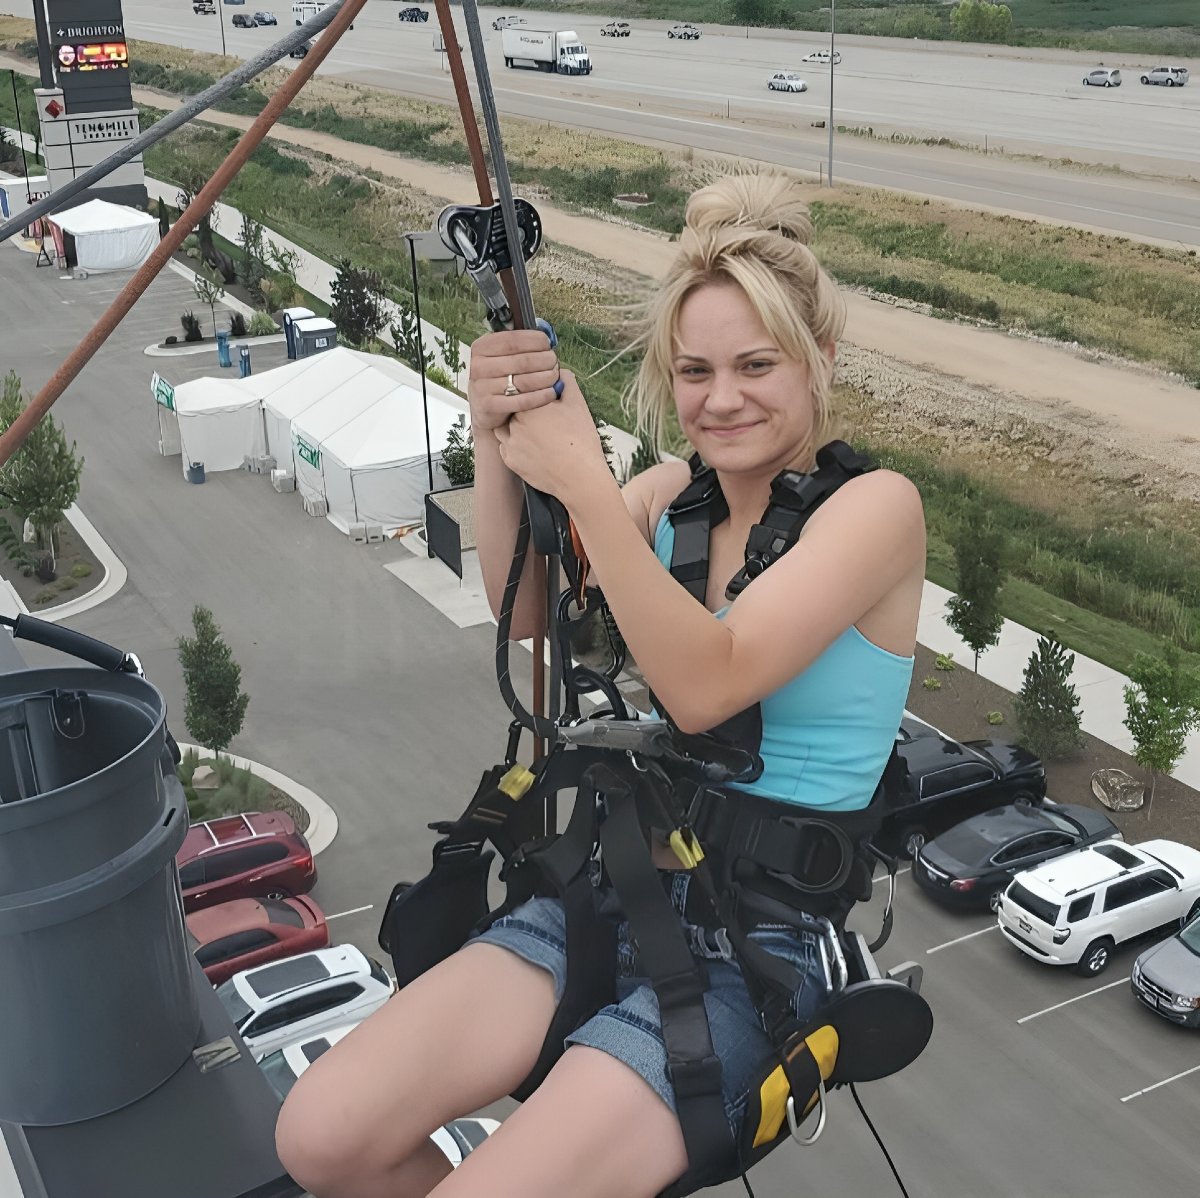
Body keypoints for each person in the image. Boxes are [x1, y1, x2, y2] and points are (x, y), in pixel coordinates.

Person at [275, 171, 926, 1198]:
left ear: (821, 362)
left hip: (760, 937)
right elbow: (528, 612)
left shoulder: (876, 510)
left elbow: (709, 683)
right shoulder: (674, 498)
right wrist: (501, 442)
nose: (721, 398)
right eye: (695, 370)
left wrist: (580, 474)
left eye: (758, 364)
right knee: (320, 1134)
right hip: (615, 886)